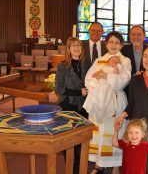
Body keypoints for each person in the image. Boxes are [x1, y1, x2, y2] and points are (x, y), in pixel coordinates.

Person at [83, 31, 131, 174]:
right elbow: (88, 79)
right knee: (100, 132)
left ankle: (116, 165)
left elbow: (121, 83)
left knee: (115, 131)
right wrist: (98, 89)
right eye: (111, 42)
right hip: (99, 101)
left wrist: (104, 76)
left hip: (116, 101)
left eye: (117, 42)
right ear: (106, 44)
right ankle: (99, 165)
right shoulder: (99, 60)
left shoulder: (125, 61)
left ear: (121, 45)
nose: (114, 45)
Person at [55, 37, 89, 174]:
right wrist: (78, 92)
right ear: (68, 49)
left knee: (81, 140)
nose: (76, 48)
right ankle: (70, 169)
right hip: (68, 106)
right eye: (73, 46)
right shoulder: (62, 65)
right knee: (68, 140)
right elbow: (58, 88)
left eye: (78, 45)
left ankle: (80, 169)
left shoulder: (86, 65)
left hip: (84, 107)